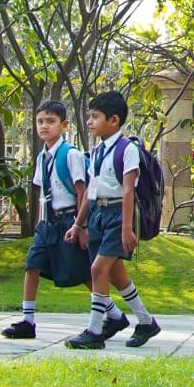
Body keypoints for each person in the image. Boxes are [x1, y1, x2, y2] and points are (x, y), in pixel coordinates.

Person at [64, 90, 161, 350]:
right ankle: (145, 321)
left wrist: (127, 228)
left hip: (119, 214)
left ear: (114, 120)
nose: (89, 122)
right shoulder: (96, 151)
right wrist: (79, 223)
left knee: (97, 270)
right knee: (117, 276)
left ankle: (95, 331)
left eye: (95, 117)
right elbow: (91, 191)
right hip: (98, 214)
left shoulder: (126, 150)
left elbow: (128, 190)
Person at [1, 99, 88, 340]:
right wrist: (39, 222)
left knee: (80, 272)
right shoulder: (42, 157)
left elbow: (82, 192)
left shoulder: (70, 155)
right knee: (32, 265)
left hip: (68, 219)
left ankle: (110, 312)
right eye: (40, 121)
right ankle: (28, 320)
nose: (44, 126)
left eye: (50, 121)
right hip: (47, 223)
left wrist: (80, 226)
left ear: (64, 125)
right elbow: (41, 191)